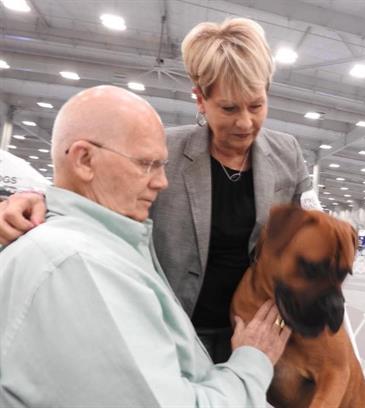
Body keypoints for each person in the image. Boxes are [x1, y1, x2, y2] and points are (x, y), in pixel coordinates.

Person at [0, 17, 313, 363]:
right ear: (200, 99)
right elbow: (96, 196)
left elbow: (309, 230)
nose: (245, 122)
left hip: (252, 334)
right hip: (170, 333)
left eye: (256, 105)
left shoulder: (288, 154)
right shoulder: (163, 148)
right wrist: (37, 200)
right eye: (228, 108)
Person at [0, 86, 291, 408]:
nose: (162, 182)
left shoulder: (103, 245)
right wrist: (252, 363)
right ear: (84, 159)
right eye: (146, 164)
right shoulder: (81, 266)